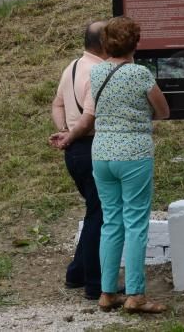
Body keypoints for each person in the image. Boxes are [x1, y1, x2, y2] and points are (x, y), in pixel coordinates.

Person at [88, 17, 170, 314]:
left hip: (101, 153)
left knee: (111, 222)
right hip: (134, 153)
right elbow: (163, 110)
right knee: (136, 224)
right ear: (135, 43)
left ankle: (107, 292)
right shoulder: (140, 74)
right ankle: (136, 294)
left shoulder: (96, 72)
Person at [48, 20, 107, 299]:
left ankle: (77, 273)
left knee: (94, 211)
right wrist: (71, 135)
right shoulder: (99, 71)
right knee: (100, 215)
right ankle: (95, 283)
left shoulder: (72, 66)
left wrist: (63, 131)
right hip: (90, 145)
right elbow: (89, 118)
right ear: (104, 43)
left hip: (75, 152)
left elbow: (57, 103)